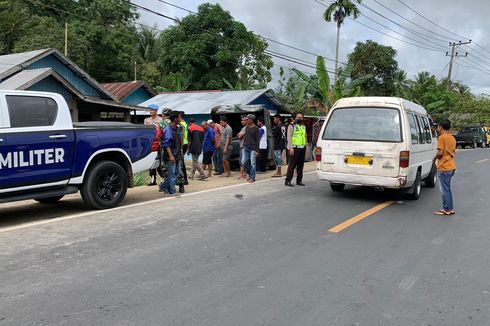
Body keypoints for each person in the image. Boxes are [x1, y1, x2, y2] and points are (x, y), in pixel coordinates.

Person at [433, 119, 457, 216]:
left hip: (444, 167)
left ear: (441, 127)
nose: (437, 128)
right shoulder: (452, 138)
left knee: (444, 190)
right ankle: (450, 208)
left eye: (438, 126)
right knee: (447, 189)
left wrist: (433, 159)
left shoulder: (442, 138)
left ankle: (446, 209)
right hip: (451, 166)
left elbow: (440, 153)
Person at [160, 112, 182, 196]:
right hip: (171, 155)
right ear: (175, 119)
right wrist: (170, 156)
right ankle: (173, 191)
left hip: (177, 155)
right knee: (171, 174)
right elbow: (166, 144)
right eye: (179, 117)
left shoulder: (177, 128)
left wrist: (180, 152)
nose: (180, 119)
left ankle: (163, 186)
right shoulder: (168, 129)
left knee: (177, 172)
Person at [285, 112, 307, 187]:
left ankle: (299, 180)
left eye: (301, 117)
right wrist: (291, 148)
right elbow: (289, 137)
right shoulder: (291, 126)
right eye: (298, 117)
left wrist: (305, 146)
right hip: (294, 148)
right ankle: (288, 181)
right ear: (295, 118)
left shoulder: (303, 126)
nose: (299, 118)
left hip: (302, 148)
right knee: (292, 165)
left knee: (301, 166)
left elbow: (305, 137)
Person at [144, 103, 163, 186]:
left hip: (158, 143)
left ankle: (163, 178)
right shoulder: (146, 120)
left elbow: (162, 132)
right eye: (149, 110)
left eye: (152, 110)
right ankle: (153, 179)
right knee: (150, 161)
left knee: (159, 160)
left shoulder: (161, 120)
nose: (150, 111)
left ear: (156, 110)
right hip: (149, 143)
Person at [242, 114, 260, 183]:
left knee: (253, 163)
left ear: (251, 120)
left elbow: (258, 139)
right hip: (246, 147)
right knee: (245, 162)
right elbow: (246, 137)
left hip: (253, 148)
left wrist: (257, 150)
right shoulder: (246, 127)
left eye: (247, 119)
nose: (246, 120)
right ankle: (249, 174)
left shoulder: (256, 128)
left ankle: (252, 177)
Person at [178, 111, 189, 185]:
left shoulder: (181, 124)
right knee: (181, 162)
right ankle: (184, 179)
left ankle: (184, 179)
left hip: (182, 144)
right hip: (185, 143)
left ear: (179, 116)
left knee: (181, 162)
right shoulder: (185, 123)